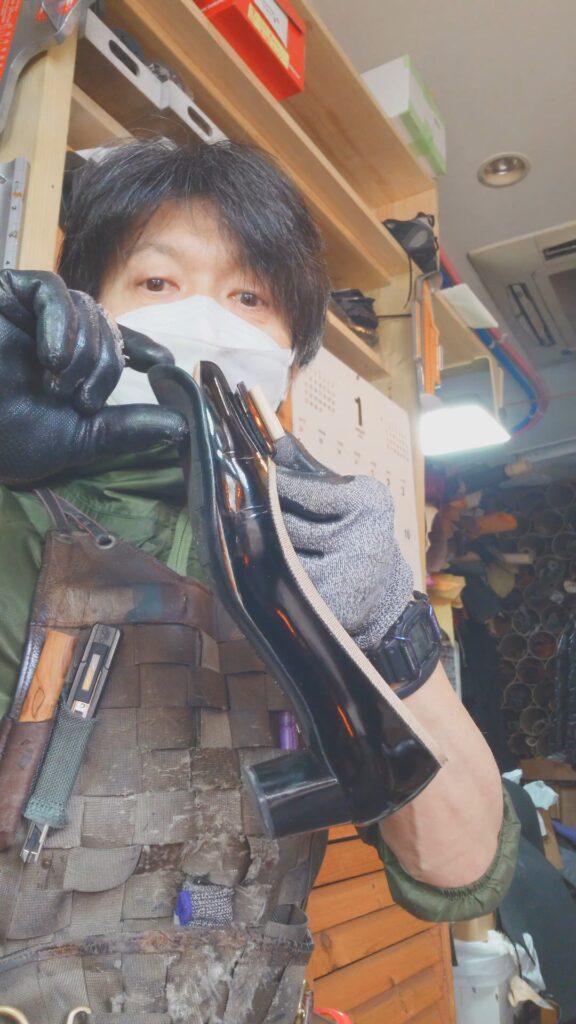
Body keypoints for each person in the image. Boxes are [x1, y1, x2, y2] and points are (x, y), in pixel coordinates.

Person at [0, 138, 519, 1023]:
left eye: (250, 298)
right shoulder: (18, 513)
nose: (205, 319)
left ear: (293, 361)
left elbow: (457, 865)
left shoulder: (321, 547)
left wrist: (384, 626)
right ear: (86, 314)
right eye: (157, 282)